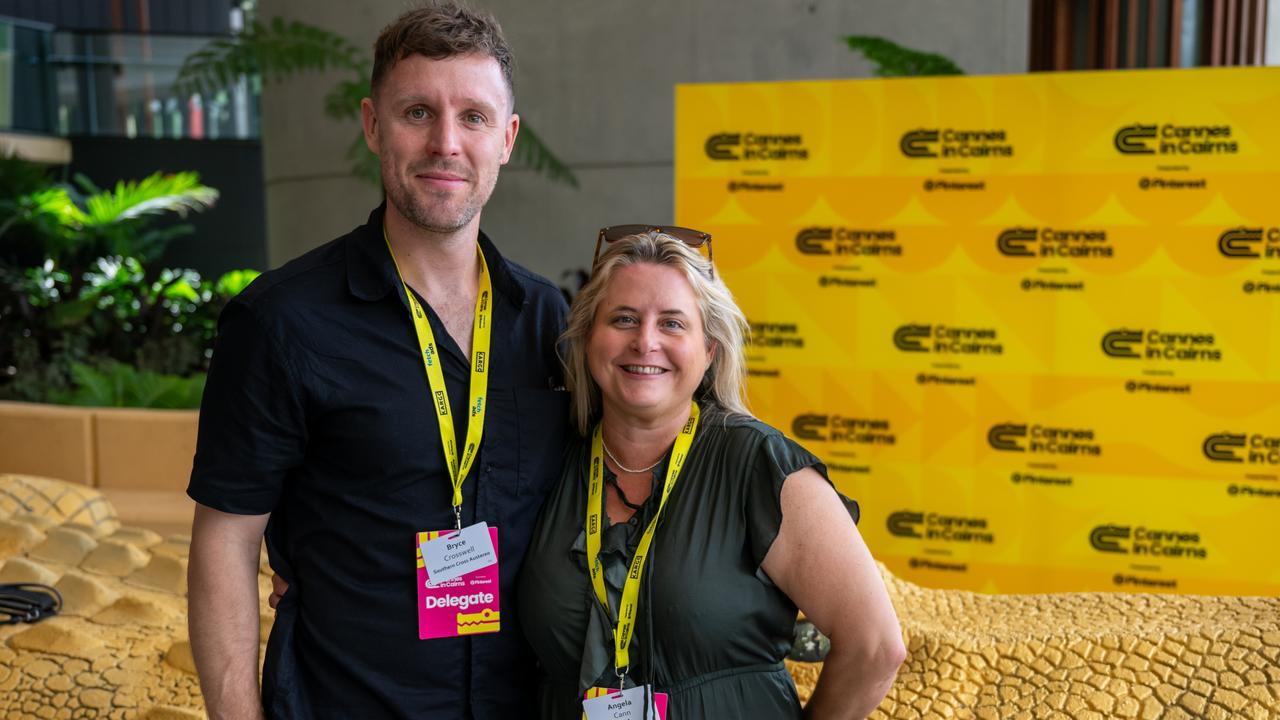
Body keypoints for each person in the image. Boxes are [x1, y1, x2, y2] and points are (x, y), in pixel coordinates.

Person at [186, 4, 570, 718]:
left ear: (508, 139)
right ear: (372, 125)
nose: (446, 143)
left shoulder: (550, 324)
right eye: (418, 112)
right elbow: (225, 543)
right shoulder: (281, 322)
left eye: (475, 118)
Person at [518, 229, 906, 719]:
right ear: (588, 338)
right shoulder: (548, 462)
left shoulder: (758, 463)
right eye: (623, 319)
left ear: (709, 352)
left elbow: (876, 647)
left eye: (673, 324)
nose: (645, 341)